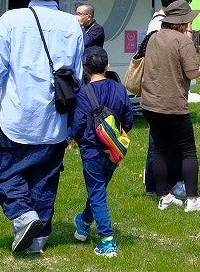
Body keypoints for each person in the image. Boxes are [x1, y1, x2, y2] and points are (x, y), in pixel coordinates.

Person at [0, 0, 85, 254]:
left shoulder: (11, 20)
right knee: (45, 178)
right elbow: (75, 74)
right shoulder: (71, 24)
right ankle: (37, 240)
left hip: (19, 113)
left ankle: (24, 217)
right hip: (56, 116)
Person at [139, 0, 200, 212]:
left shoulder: (154, 37)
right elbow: (192, 73)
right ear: (183, 22)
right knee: (188, 151)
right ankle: (192, 199)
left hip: (150, 103)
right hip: (173, 105)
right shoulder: (183, 41)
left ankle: (164, 196)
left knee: (160, 150)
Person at [70, 45, 135, 258]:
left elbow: (78, 126)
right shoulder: (119, 88)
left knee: (97, 194)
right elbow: (129, 119)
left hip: (91, 152)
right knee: (98, 190)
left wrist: (75, 139)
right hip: (114, 151)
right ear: (107, 66)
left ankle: (107, 242)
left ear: (85, 69)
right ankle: (83, 223)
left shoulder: (82, 93)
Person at [143, 0, 192, 195]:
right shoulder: (159, 27)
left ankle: (158, 185)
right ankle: (158, 184)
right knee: (163, 145)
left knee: (162, 143)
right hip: (164, 94)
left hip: (160, 93)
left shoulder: (158, 26)